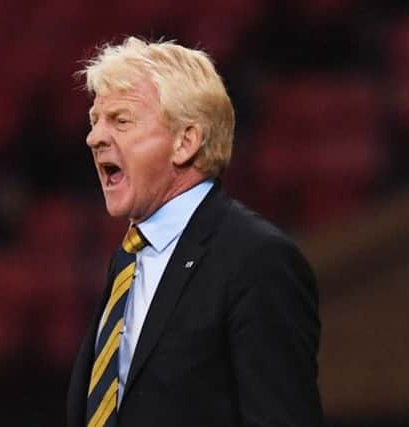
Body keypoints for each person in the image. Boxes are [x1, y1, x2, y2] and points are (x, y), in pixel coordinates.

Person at [67, 36, 323, 427]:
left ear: (185, 142)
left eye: (120, 120)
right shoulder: (128, 260)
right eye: (94, 121)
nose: (94, 137)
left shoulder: (257, 260)